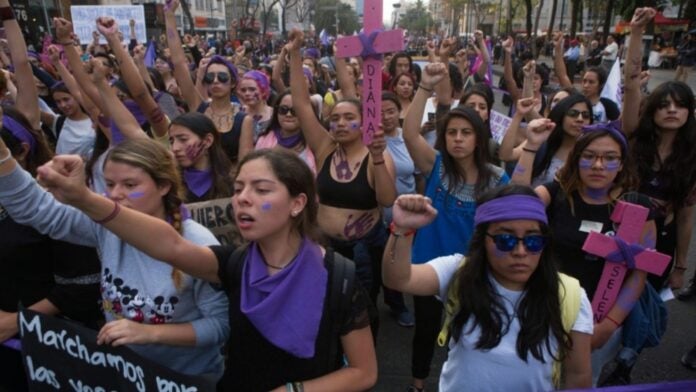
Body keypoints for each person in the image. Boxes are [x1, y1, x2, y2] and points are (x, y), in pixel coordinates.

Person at [32, 147, 378, 391]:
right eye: (239, 188)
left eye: (261, 190)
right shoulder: (233, 263)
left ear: (297, 203)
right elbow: (170, 245)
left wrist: (293, 391)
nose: (242, 198)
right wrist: (84, 198)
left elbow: (364, 373)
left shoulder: (341, 278)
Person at [0, 135, 229, 381]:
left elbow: (220, 325)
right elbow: (36, 209)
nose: (116, 195)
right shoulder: (107, 228)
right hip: (126, 374)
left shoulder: (196, 242)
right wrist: (3, 155)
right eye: (109, 184)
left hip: (185, 379)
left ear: (164, 186)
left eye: (130, 185)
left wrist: (149, 333)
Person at [382, 186, 593, 391]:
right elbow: (398, 279)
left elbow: (578, 375)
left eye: (533, 240)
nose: (520, 251)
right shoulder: (458, 273)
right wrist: (403, 228)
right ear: (483, 240)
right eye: (505, 239)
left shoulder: (569, 295)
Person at [511, 118, 656, 384]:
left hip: (599, 320)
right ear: (576, 159)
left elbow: (639, 274)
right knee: (533, 378)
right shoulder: (555, 194)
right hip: (545, 310)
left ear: (622, 163)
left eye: (610, 157)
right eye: (589, 156)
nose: (598, 165)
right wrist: (531, 147)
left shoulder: (637, 210)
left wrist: (608, 325)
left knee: (578, 381)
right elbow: (515, 204)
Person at [401, 61, 510, 391]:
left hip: (473, 271)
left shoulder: (496, 178)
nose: (458, 139)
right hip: (428, 268)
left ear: (479, 139)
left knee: (467, 334)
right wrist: (425, 86)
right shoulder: (434, 166)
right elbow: (408, 132)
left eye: (466, 133)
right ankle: (418, 384)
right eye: (452, 133)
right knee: (425, 330)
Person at [288, 29, 397, 316]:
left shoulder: (377, 153)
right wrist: (296, 52)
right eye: (335, 118)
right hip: (323, 247)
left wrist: (375, 159)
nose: (340, 123)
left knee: (361, 311)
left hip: (364, 249)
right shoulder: (324, 147)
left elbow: (387, 200)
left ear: (364, 123)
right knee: (323, 310)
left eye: (350, 117)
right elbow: (300, 103)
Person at [500, 94, 593, 187]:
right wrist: (519, 115)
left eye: (585, 115)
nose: (580, 119)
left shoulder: (592, 151)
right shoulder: (542, 141)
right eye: (573, 114)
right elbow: (506, 155)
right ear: (561, 115)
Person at [169, 112, 234, 202]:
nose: (174, 148)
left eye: (183, 139)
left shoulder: (233, 182)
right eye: (172, 141)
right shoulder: (170, 185)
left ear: (207, 141)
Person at [253, 89, 317, 173]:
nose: (288, 114)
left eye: (295, 111)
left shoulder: (315, 144)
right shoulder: (263, 140)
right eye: (283, 109)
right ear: (276, 112)